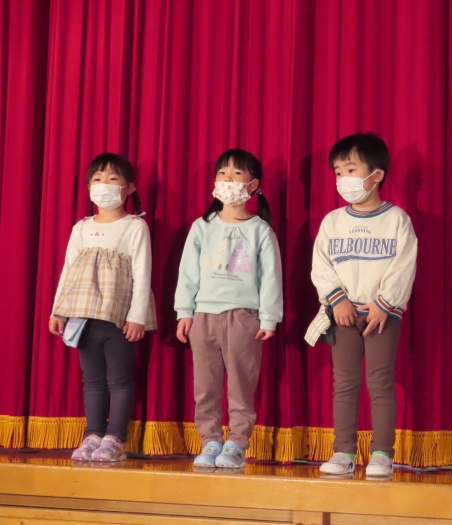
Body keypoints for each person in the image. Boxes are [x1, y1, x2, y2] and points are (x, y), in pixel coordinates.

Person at [310, 133, 417, 477]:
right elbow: (321, 266)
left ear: (377, 175)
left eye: (351, 169)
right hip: (343, 315)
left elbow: (404, 264)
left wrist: (385, 304)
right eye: (338, 172)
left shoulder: (396, 219)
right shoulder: (333, 221)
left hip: (381, 316)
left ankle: (382, 453)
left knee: (380, 383)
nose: (343, 178)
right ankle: (343, 452)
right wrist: (337, 300)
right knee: (345, 384)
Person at [175, 148, 283, 468]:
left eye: (237, 173)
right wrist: (184, 312)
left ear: (253, 185)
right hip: (204, 316)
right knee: (205, 386)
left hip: (243, 316)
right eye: (222, 172)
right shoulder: (202, 226)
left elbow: (271, 277)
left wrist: (269, 318)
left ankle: (236, 442)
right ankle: (210, 440)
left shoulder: (260, 229)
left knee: (240, 384)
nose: (227, 178)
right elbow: (188, 273)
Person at [49, 152, 157, 462]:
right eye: (97, 179)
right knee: (93, 381)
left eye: (112, 179)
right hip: (83, 316)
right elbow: (68, 270)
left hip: (118, 318)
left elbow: (142, 273)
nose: (104, 184)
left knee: (119, 379)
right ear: (88, 188)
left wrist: (137, 317)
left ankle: (115, 438)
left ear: (129, 188)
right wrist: (58, 311)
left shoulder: (135, 226)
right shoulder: (81, 228)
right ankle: (93, 434)